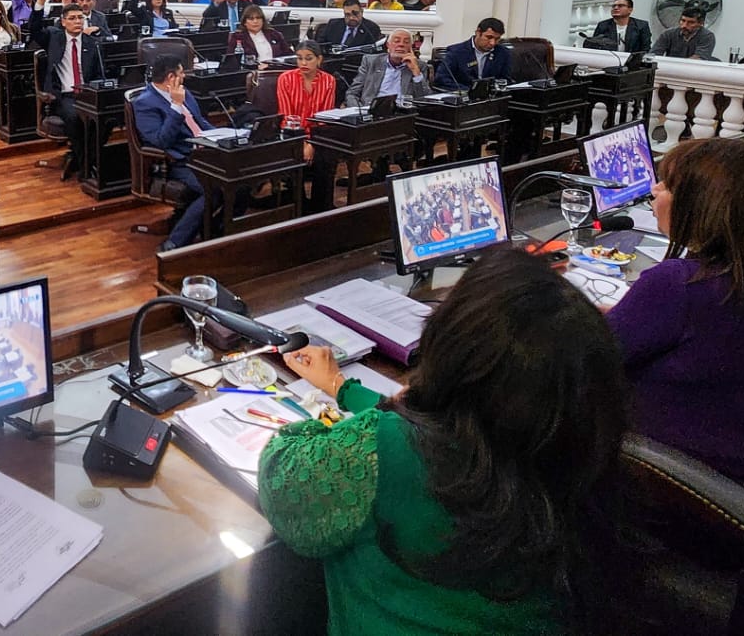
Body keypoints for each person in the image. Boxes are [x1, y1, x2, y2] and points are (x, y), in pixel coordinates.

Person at [267, 248, 626, 636]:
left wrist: (387, 412)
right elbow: (458, 430)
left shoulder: (388, 446)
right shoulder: (575, 452)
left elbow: (279, 477)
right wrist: (343, 388)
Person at [605, 137, 744, 505]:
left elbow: (582, 359)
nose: (655, 192)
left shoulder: (681, 285)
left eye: (668, 186)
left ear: (705, 206)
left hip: (683, 499)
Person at [132, 55, 212, 251]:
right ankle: (174, 244)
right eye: (181, 73)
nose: (184, 76)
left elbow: (200, 122)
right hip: (180, 161)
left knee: (239, 182)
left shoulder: (184, 93)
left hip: (207, 152)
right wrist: (176, 106)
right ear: (171, 77)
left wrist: (225, 135)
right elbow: (161, 141)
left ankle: (217, 229)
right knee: (213, 189)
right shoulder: (145, 103)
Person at [42, 4, 103, 180]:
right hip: (64, 95)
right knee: (76, 118)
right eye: (72, 18)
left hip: (88, 94)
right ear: (63, 22)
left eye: (80, 17)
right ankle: (87, 169)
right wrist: (40, 3)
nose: (77, 21)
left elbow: (100, 74)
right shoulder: (55, 39)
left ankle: (82, 161)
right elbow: (35, 29)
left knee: (103, 120)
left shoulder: (92, 44)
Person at [347, 28, 430, 106]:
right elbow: (352, 93)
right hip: (370, 111)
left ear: (411, 47)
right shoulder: (371, 62)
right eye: (396, 41)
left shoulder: (419, 66)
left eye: (406, 42)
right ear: (388, 45)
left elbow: (425, 98)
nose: (401, 45)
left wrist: (415, 71)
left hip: (402, 113)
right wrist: (359, 110)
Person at [434, 17, 512, 90]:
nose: (492, 43)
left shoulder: (503, 53)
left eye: (497, 39)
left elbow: (505, 79)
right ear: (478, 33)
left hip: (492, 99)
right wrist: (469, 91)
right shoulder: (456, 52)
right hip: (464, 97)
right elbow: (442, 79)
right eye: (489, 37)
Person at [651, 6, 716, 60]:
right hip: (670, 69)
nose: (684, 25)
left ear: (701, 23)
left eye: (691, 22)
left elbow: (699, 59)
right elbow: (653, 55)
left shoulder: (707, 36)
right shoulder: (668, 34)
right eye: (683, 20)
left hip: (694, 72)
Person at [315, 0, 382, 50]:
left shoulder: (371, 28)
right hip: (332, 62)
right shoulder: (333, 24)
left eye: (355, 13)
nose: (351, 18)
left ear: (361, 12)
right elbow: (319, 45)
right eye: (347, 14)